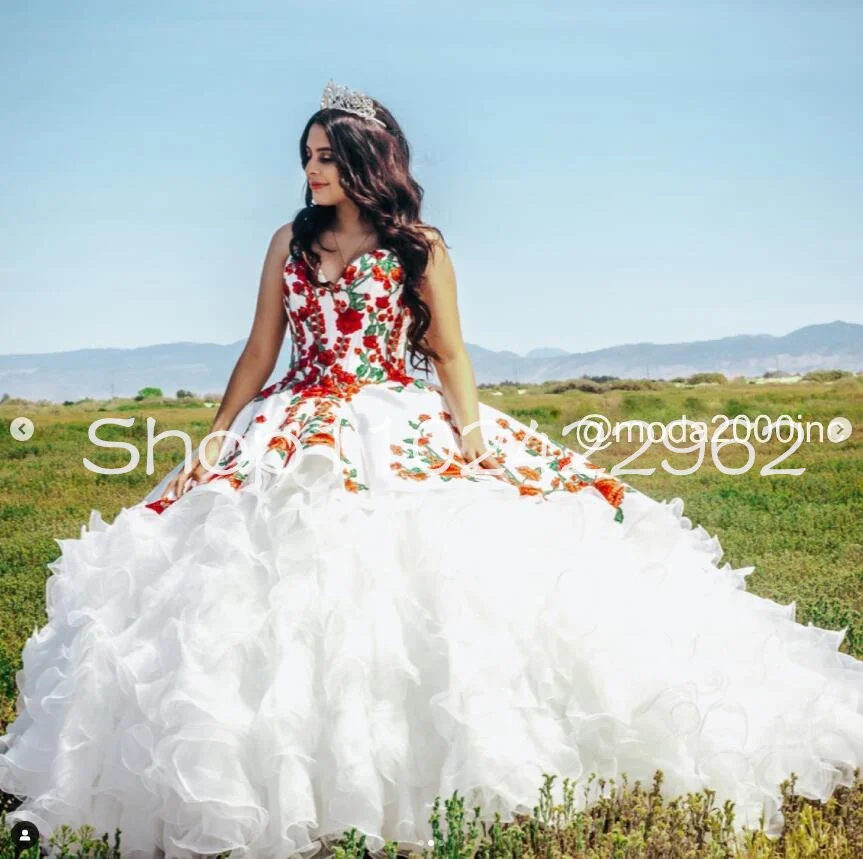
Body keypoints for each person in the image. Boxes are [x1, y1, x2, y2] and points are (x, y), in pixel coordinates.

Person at [1, 79, 862, 859]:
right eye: (305, 156)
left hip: (395, 416)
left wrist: (474, 436)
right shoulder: (287, 242)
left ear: (368, 160)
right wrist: (217, 435)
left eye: (327, 156)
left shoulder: (418, 245)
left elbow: (448, 350)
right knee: (245, 575)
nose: (311, 169)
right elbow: (262, 347)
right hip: (294, 421)